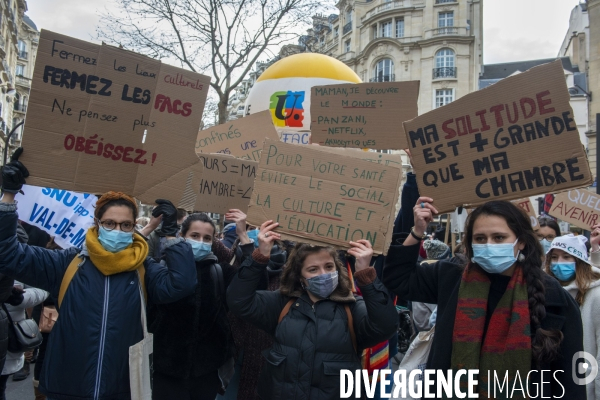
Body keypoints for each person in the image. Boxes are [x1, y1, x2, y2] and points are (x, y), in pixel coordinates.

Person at [0, 148, 198, 399]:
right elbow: (7, 255)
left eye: (126, 225)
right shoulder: (67, 262)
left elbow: (181, 284)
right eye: (110, 223)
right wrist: (8, 195)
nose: (118, 229)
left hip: (121, 387)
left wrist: (170, 235)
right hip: (67, 385)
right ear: (97, 223)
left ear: (133, 226)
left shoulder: (142, 268)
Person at [383, 197, 585, 399]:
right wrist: (417, 231)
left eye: (498, 238)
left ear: (521, 241)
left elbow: (570, 379)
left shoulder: (553, 295)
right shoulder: (451, 276)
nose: (489, 245)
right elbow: (398, 279)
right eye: (480, 239)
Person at [227, 221, 398, 399]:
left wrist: (367, 277)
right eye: (313, 269)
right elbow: (239, 301)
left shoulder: (352, 307)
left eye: (329, 267)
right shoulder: (282, 304)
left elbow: (386, 326)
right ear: (300, 277)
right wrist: (259, 257)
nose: (323, 274)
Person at [151, 210, 251, 400]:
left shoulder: (221, 272)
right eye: (195, 236)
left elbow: (249, 285)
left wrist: (243, 237)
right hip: (166, 371)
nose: (201, 242)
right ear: (182, 236)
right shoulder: (161, 268)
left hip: (206, 372)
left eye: (207, 238)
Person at [546, 232, 600, 400]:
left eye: (566, 257)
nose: (558, 263)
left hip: (585, 384)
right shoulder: (544, 292)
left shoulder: (596, 296)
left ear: (579, 261)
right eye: (554, 257)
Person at [0, 282, 48, 400]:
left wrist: (20, 297)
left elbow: (43, 289)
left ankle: (28, 360)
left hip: (6, 340)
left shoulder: (13, 264)